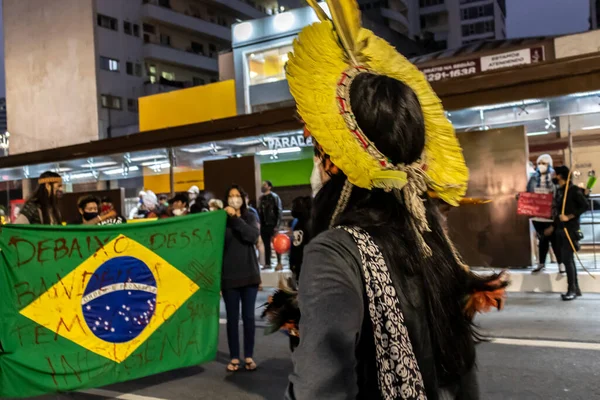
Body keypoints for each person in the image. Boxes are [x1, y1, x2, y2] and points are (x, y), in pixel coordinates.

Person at [283, 3, 508, 397]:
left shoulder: (336, 252)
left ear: (334, 162)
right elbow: (463, 375)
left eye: (318, 147)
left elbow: (319, 389)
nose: (316, 161)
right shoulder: (433, 240)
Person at [222, 185, 261, 373]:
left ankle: (249, 356)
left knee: (248, 317)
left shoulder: (249, 217)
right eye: (231, 196)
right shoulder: (221, 220)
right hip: (229, 276)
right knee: (232, 319)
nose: (234, 199)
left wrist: (235, 218)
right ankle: (234, 357)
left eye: (237, 195)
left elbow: (252, 236)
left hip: (249, 274)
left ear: (243, 199)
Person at [548, 166, 589, 301]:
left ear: (560, 176)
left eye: (555, 174)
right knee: (567, 259)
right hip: (560, 229)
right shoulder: (559, 191)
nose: (553, 176)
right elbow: (558, 212)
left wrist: (570, 216)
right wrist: (553, 226)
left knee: (567, 259)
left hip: (570, 229)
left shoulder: (573, 190)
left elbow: (585, 205)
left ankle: (572, 289)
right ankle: (575, 289)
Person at [527, 154, 561, 273]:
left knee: (554, 239)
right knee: (542, 240)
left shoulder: (554, 177)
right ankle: (541, 263)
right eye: (539, 163)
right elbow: (529, 193)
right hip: (537, 216)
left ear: (549, 164)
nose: (541, 165)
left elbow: (558, 194)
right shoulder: (533, 178)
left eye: (544, 163)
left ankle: (560, 263)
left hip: (550, 215)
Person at [258, 180, 283, 270]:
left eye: (264, 185)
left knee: (276, 244)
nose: (262, 186)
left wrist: (277, 225)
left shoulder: (274, 197)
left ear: (269, 187)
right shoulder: (261, 199)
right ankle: (267, 263)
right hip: (264, 225)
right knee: (266, 245)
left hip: (272, 224)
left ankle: (279, 262)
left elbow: (279, 211)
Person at [289, 196, 312, 281]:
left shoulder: (299, 225)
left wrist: (293, 265)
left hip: (302, 264)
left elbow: (296, 247)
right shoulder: (312, 222)